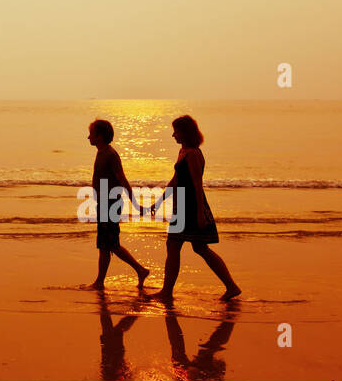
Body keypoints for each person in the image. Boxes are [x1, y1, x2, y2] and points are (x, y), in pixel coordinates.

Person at [151, 115, 241, 302]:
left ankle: (167, 292)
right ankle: (231, 286)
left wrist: (200, 213)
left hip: (191, 207)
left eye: (176, 131)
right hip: (181, 206)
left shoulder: (192, 154)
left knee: (183, 246)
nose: (173, 135)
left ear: (185, 132)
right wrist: (159, 202)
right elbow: (175, 181)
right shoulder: (183, 151)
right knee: (195, 247)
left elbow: (197, 184)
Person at [87, 119, 150, 289]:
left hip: (111, 204)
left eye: (91, 133)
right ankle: (100, 281)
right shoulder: (101, 152)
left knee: (110, 244)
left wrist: (135, 203)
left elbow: (122, 179)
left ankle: (139, 270)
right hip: (104, 203)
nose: (88, 137)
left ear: (99, 136)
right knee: (104, 245)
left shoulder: (110, 154)